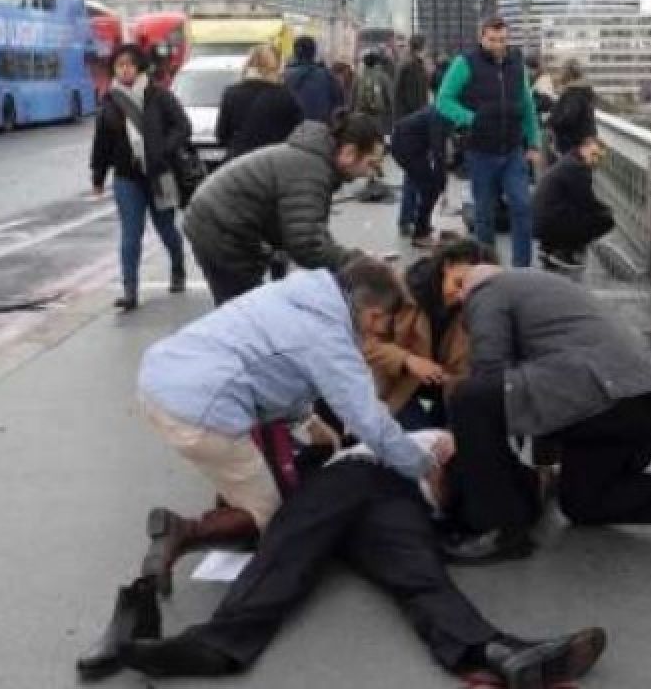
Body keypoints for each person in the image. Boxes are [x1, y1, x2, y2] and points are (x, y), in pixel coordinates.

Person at [104, 436, 607, 686]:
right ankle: (214, 645)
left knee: (420, 578)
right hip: (356, 475)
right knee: (287, 556)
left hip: (396, 506)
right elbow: (447, 465)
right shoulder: (439, 438)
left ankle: (495, 652)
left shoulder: (479, 484)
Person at [133, 257, 451, 595]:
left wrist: (307, 419)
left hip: (161, 378)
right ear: (373, 313)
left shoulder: (302, 293)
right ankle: (183, 532)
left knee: (244, 471)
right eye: (384, 325)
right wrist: (422, 466)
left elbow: (276, 364)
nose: (380, 335)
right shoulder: (328, 337)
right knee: (269, 514)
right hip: (201, 408)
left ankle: (228, 513)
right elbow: (368, 419)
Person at [442, 266, 651, 563]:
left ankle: (500, 525)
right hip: (639, 402)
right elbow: (535, 388)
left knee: (469, 398)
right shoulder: (539, 287)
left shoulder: (486, 290)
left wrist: (473, 447)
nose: (458, 302)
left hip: (602, 394)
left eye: (456, 289)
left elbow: (490, 374)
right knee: (583, 503)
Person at [183, 112, 379, 306]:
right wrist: (358, 263)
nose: (371, 173)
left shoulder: (312, 160)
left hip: (220, 221)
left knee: (245, 307)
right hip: (219, 228)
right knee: (245, 310)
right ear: (349, 153)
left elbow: (308, 230)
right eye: (371, 164)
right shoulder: (312, 170)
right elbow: (307, 245)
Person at [90, 44, 191, 311]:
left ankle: (178, 267)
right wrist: (97, 174)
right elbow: (101, 141)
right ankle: (130, 290)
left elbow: (183, 127)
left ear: (140, 67)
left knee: (166, 229)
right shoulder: (111, 100)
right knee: (130, 235)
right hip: (127, 177)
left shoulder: (159, 95)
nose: (124, 69)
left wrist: (164, 150)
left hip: (159, 173)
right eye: (119, 65)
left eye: (130, 64)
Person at [436, 17, 542, 268]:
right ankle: (488, 269)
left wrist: (534, 143)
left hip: (513, 151)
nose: (497, 45)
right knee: (484, 215)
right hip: (481, 153)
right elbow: (443, 100)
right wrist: (471, 119)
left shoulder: (517, 64)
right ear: (482, 38)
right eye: (492, 40)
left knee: (522, 207)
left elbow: (527, 105)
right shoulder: (464, 63)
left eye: (503, 40)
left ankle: (521, 270)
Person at [364, 239, 497, 431]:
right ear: (447, 266)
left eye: (472, 291)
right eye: (458, 283)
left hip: (448, 394)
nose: (462, 296)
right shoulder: (399, 291)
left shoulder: (480, 308)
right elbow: (365, 342)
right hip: (399, 390)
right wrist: (407, 360)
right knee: (420, 441)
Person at [532, 136, 613, 269]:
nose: (596, 160)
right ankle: (565, 253)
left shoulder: (568, 160)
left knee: (569, 210)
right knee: (605, 220)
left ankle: (547, 249)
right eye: (594, 155)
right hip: (549, 223)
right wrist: (607, 210)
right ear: (583, 148)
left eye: (599, 158)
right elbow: (586, 202)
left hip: (538, 222)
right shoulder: (579, 168)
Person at [214, 43, 304, 161]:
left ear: (248, 64)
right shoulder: (286, 96)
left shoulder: (231, 93)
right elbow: (298, 134)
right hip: (274, 162)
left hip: (239, 162)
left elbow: (221, 134)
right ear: (278, 67)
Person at [389, 106, 451, 248]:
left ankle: (408, 221)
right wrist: (441, 182)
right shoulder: (440, 116)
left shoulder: (441, 110)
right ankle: (420, 234)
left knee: (415, 181)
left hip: (406, 144)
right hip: (407, 148)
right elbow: (438, 150)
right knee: (430, 189)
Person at [395, 35, 432, 235]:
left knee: (413, 175)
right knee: (416, 175)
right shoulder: (413, 67)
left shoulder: (409, 65)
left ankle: (410, 218)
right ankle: (410, 218)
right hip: (413, 130)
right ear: (423, 47)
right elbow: (416, 101)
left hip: (408, 128)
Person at [283, 36, 344, 124]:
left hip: (292, 132)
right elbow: (339, 106)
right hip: (320, 130)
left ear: (295, 52)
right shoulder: (327, 76)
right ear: (314, 53)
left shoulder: (282, 77)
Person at [548, 59, 597, 157]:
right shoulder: (584, 92)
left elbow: (568, 118)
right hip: (583, 145)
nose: (559, 74)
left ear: (568, 74)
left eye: (561, 71)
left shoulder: (574, 93)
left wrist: (552, 121)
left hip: (572, 147)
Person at [353, 50, 396, 139]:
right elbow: (391, 98)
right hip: (378, 117)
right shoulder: (383, 77)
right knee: (377, 141)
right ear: (377, 62)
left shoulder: (359, 77)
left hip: (361, 116)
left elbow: (352, 97)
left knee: (362, 139)